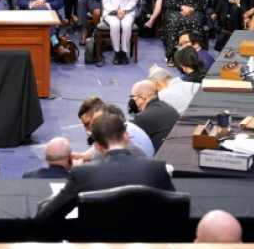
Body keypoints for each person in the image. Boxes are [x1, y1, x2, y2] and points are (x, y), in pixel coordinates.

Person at [34, 112, 174, 226]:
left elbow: (44, 218)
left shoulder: (82, 174)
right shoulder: (157, 169)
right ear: (126, 137)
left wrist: (47, 201)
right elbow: (177, 210)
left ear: (97, 146)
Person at [130, 80, 180, 151]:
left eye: (133, 96)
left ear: (141, 98)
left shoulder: (144, 117)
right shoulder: (168, 108)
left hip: (161, 156)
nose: (132, 101)